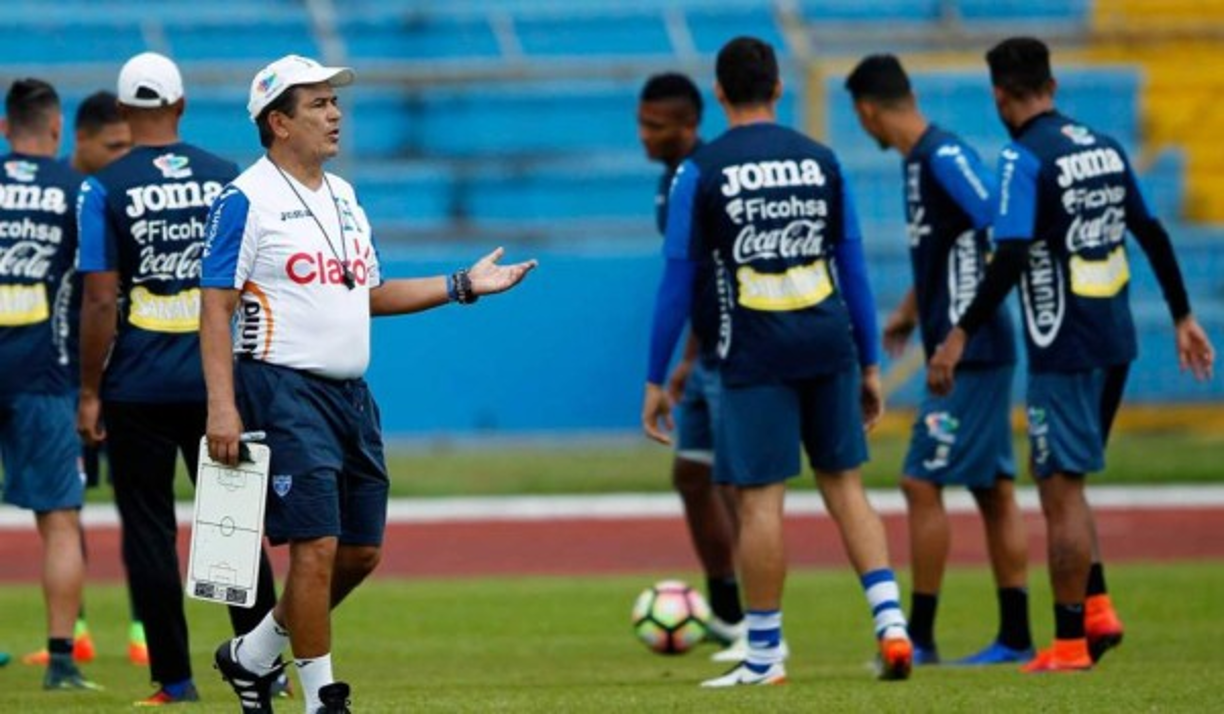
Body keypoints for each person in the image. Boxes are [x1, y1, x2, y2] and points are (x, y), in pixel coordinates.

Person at [201, 54, 536, 714]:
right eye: (318, 104)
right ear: (278, 123)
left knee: (360, 553)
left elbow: (369, 294)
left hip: (351, 395)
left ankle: (254, 656)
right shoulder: (246, 199)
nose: (335, 114)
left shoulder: (345, 197)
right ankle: (323, 698)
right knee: (315, 548)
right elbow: (216, 306)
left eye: (335, 102)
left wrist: (462, 285)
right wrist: (221, 406)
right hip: (281, 388)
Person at [927, 37, 1216, 672]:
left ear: (1000, 95)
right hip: (1115, 340)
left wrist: (959, 333)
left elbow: (1010, 255)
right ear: (1052, 86)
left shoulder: (1022, 159)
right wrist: (1183, 315)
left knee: (1057, 488)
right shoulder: (1104, 148)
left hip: (1064, 345)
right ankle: (1098, 608)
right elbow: (1152, 231)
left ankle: (1067, 644)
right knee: (1071, 482)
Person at [641, 36, 912, 687]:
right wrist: (871, 364)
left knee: (761, 502)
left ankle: (765, 655)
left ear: (721, 93)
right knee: (845, 486)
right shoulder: (822, 160)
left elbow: (678, 282)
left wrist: (656, 378)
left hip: (754, 352)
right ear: (779, 90)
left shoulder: (701, 171)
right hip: (829, 342)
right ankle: (893, 625)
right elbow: (853, 266)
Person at [76, 51, 281, 704]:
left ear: (125, 113)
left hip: (136, 385)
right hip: (218, 382)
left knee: (149, 534)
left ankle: (176, 680)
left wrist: (89, 390)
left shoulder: (103, 187)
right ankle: (266, 671)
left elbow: (101, 300)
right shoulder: (228, 180)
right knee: (234, 531)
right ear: (183, 105)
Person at [844, 54, 1034, 666]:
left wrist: (955, 332)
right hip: (973, 348)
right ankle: (1014, 636)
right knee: (994, 491)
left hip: (969, 355)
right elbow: (948, 252)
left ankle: (920, 637)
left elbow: (997, 226)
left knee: (920, 482)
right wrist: (909, 310)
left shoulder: (942, 156)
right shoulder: (917, 163)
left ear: (866, 110)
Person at [22, 88, 145, 671]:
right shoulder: (79, 197)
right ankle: (70, 642)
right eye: (115, 146)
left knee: (125, 503)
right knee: (66, 511)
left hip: (100, 374)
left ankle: (137, 623)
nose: (125, 157)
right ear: (74, 136)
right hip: (62, 377)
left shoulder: (111, 195)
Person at [637, 71, 745, 659]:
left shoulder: (707, 177)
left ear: (689, 125)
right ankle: (727, 613)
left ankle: (759, 619)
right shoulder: (668, 183)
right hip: (704, 355)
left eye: (656, 127)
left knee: (734, 483)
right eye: (641, 123)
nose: (644, 137)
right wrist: (686, 361)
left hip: (734, 353)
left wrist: (698, 354)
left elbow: (723, 275)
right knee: (692, 476)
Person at [0, 78, 99, 692]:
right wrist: (94, 385)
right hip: (47, 374)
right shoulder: (77, 192)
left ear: (6, 129)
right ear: (57, 129)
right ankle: (61, 660)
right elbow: (97, 293)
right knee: (60, 519)